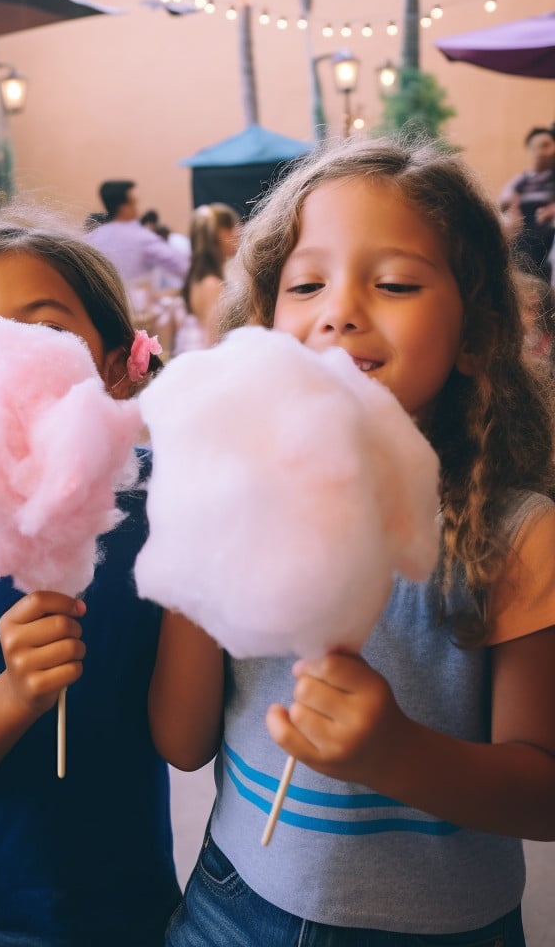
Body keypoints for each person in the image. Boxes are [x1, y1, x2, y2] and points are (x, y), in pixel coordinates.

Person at [162, 137, 555, 945]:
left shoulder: (518, 537)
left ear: (477, 336)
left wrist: (396, 752)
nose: (339, 309)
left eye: (396, 283)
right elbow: (181, 740)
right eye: (305, 283)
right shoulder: (239, 502)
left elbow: (542, 794)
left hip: (441, 927)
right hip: (235, 902)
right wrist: (198, 539)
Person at [0, 212, 185, 946]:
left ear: (116, 364)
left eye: (44, 331)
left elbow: (188, 734)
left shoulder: (172, 517)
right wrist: (15, 694)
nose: (7, 359)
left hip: (135, 903)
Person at [84, 180, 188, 290]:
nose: (137, 207)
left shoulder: (93, 237)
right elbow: (182, 266)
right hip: (137, 302)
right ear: (123, 207)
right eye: (134, 202)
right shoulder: (142, 238)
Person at [499, 125, 555, 281]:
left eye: (546, 145)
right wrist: (512, 208)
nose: (540, 151)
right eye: (535, 147)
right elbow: (503, 202)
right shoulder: (520, 181)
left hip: (546, 232)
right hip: (524, 230)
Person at [181, 204, 240, 346]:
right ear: (223, 234)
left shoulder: (200, 278)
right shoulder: (212, 284)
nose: (239, 236)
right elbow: (213, 339)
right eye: (235, 230)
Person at [511, 268, 555, 379]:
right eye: (527, 307)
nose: (534, 315)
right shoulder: (503, 340)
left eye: (535, 308)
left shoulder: (540, 338)